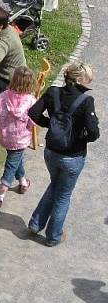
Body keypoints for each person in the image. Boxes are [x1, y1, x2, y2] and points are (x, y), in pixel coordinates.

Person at [28, 62, 100, 246]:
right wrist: (81, 138)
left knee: (56, 185)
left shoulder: (53, 92)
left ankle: (36, 223)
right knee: (63, 195)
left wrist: (49, 124)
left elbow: (33, 112)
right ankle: (53, 236)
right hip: (72, 156)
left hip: (51, 152)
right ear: (79, 80)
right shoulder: (86, 101)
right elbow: (93, 133)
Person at [0, 66, 37, 211]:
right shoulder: (30, 101)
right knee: (11, 165)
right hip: (21, 137)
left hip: (6, 135)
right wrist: (28, 128)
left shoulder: (3, 96)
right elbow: (34, 119)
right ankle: (0, 195)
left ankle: (23, 182)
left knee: (16, 157)